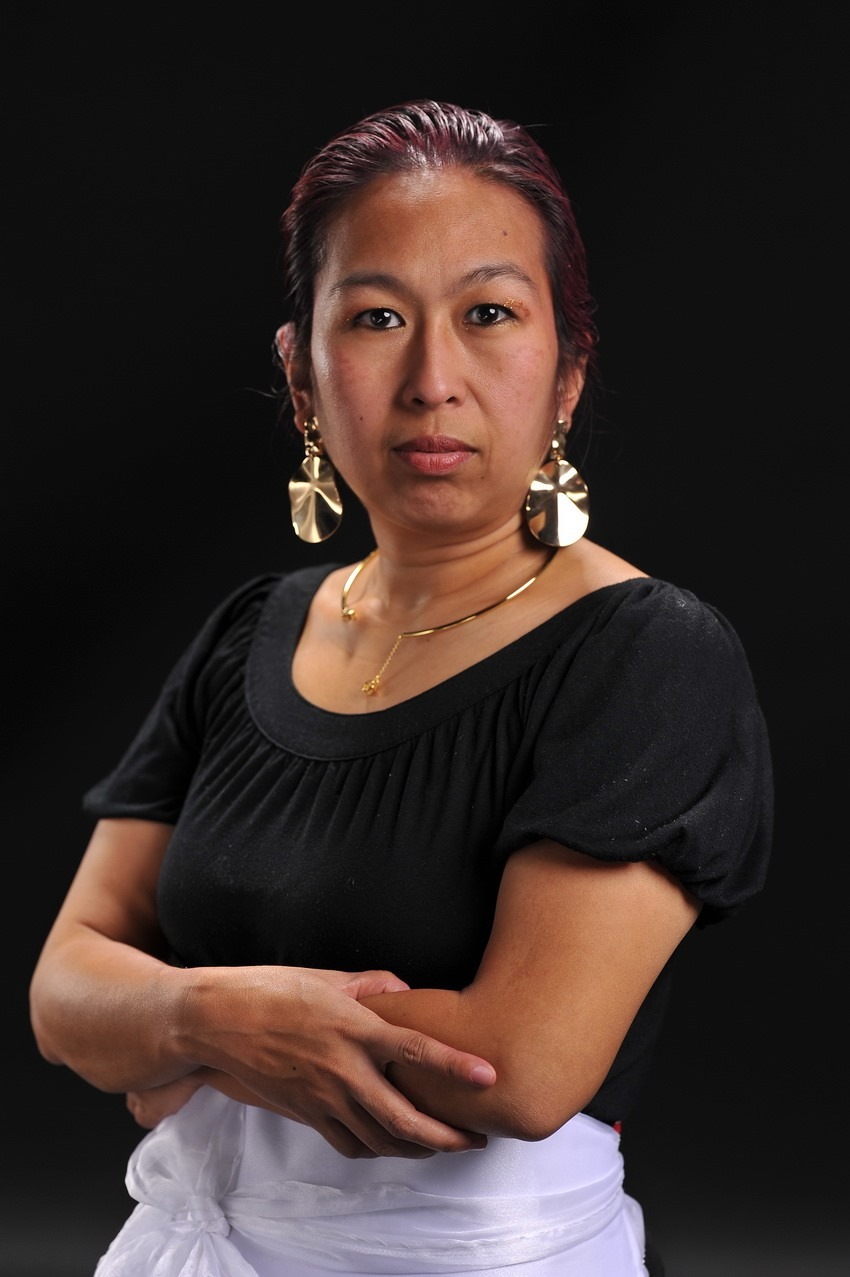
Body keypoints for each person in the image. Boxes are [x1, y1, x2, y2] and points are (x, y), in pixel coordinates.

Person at [29, 99, 773, 1276]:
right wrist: (217, 1020)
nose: (433, 379)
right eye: (376, 317)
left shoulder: (645, 652)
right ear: (301, 377)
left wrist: (170, 1028)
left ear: (567, 375)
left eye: (488, 314)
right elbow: (62, 989)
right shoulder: (250, 632)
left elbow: (519, 1065)